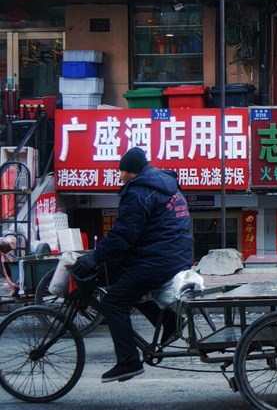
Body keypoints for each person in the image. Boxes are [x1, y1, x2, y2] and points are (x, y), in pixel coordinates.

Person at [71, 147, 193, 383]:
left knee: (113, 301)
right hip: (175, 255)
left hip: (158, 260)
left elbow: (123, 235)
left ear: (132, 172)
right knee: (121, 276)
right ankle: (170, 322)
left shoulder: (139, 192)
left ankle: (128, 362)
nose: (120, 177)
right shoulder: (165, 183)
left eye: (122, 173)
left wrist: (95, 258)